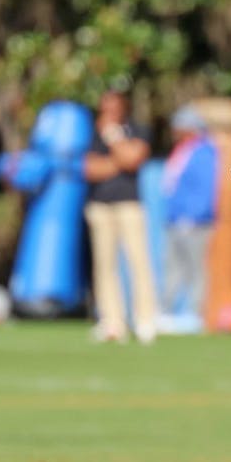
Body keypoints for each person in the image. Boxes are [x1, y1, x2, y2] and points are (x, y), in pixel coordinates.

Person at [83, 89, 157, 344]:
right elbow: (89, 169)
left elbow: (134, 158)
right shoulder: (91, 133)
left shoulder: (137, 129)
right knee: (105, 265)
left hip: (129, 205)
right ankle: (112, 321)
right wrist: (120, 160)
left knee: (138, 262)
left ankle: (145, 319)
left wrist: (115, 140)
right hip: (100, 206)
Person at [158, 105, 217, 333]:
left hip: (194, 223)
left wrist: (191, 217)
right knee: (172, 268)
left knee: (195, 270)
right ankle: (167, 312)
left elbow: (204, 189)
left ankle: (195, 314)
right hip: (176, 221)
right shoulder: (183, 150)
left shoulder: (203, 151)